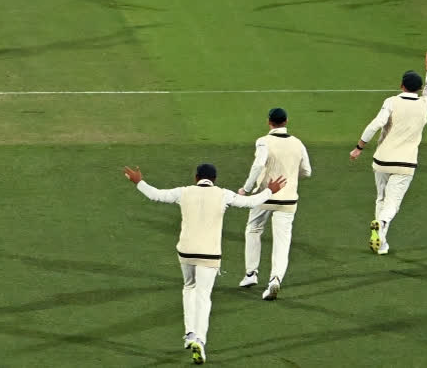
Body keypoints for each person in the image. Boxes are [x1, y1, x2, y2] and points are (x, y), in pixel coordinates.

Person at [123, 163, 284, 364]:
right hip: (209, 254)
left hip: (186, 251)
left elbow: (156, 195)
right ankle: (200, 339)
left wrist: (139, 181)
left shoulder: (184, 192)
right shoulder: (223, 194)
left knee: (189, 287)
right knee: (203, 296)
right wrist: (271, 189)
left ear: (196, 177)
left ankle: (189, 334)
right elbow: (250, 202)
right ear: (214, 179)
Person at [349, 51, 427, 255]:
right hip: (405, 164)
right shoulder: (424, 104)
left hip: (381, 160)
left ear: (401, 86)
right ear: (418, 88)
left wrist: (359, 148)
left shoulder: (391, 102)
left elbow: (375, 125)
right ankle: (382, 223)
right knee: (393, 204)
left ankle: (382, 244)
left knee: (381, 198)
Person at [237, 107, 312, 301]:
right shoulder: (298, 143)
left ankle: (251, 274)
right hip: (288, 200)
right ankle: (275, 279)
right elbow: (307, 171)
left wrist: (246, 189)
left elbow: (258, 165)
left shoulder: (263, 141)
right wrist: (290, 179)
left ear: (269, 122)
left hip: (264, 196)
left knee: (253, 229)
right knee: (282, 241)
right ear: (286, 121)